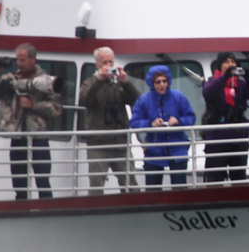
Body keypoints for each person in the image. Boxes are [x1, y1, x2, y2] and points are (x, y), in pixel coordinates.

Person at [0, 43, 61, 199]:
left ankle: (46, 208)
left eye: (23, 60)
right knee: (18, 180)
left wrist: (34, 105)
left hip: (38, 136)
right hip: (17, 136)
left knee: (43, 179)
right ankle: (21, 207)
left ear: (33, 59)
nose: (19, 64)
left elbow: (56, 108)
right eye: (18, 60)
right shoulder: (11, 79)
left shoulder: (46, 81)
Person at [79, 46, 139, 193]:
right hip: (98, 144)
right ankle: (96, 213)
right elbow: (84, 101)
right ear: (97, 65)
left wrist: (126, 83)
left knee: (130, 184)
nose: (108, 66)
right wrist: (99, 80)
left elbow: (137, 101)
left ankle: (132, 213)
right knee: (96, 185)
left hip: (120, 143)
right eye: (104, 63)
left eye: (110, 62)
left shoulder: (120, 83)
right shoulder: (90, 83)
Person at [129, 64, 196, 187]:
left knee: (179, 190)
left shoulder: (179, 97)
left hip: (177, 149)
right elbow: (134, 122)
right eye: (158, 82)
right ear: (151, 83)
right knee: (153, 191)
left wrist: (178, 121)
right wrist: (151, 123)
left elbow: (191, 117)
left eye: (164, 81)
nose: (162, 84)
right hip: (154, 150)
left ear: (168, 81)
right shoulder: (143, 100)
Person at [200, 52, 249, 183]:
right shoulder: (212, 82)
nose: (231, 65)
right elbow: (208, 92)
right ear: (220, 65)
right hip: (217, 139)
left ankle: (240, 201)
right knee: (215, 178)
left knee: (239, 177)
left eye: (233, 62)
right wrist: (225, 77)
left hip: (238, 137)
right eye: (226, 62)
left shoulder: (241, 83)